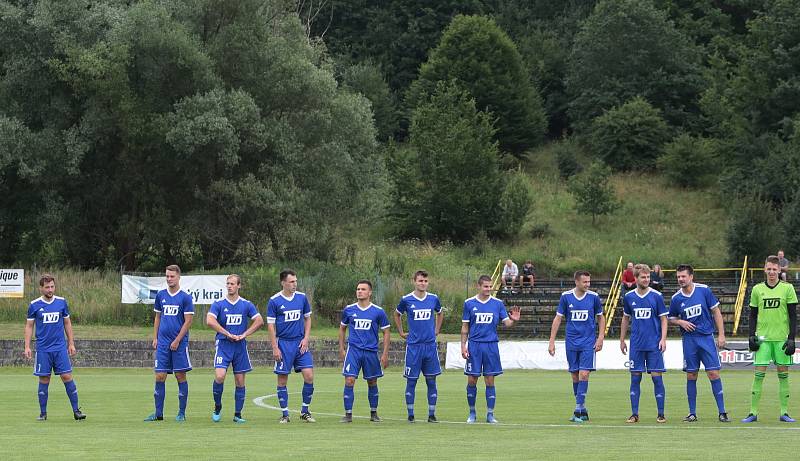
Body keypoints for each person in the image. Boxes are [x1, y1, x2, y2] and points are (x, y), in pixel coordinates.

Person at [668, 264, 729, 423]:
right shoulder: (676, 298)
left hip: (706, 338)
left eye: (683, 276)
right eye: (678, 277)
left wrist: (721, 334)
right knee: (691, 375)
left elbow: (716, 312)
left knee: (713, 373)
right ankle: (692, 413)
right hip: (689, 341)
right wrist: (681, 322)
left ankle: (722, 412)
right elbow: (671, 318)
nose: (681, 279)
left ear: (691, 277)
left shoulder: (704, 290)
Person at [741, 255, 798, 423]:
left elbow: (793, 316)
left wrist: (792, 338)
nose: (772, 272)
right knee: (758, 376)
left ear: (779, 270)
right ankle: (752, 412)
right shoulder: (758, 289)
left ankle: (784, 412)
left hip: (781, 340)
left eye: (775, 269)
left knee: (784, 376)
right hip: (763, 340)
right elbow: (752, 315)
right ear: (765, 269)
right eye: (769, 269)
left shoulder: (787, 289)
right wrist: (751, 335)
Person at [23, 274, 86, 421]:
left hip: (59, 348)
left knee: (67, 376)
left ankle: (76, 411)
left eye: (52, 286)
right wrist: (27, 346)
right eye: (47, 287)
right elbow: (29, 326)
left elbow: (67, 323)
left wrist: (71, 343)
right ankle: (43, 413)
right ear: (41, 288)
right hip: (43, 349)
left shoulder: (61, 302)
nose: (50, 289)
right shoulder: (34, 305)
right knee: (44, 379)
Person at [461, 275, 521, 424]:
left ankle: (490, 415)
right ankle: (472, 413)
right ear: (479, 286)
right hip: (474, 345)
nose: (488, 289)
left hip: (491, 346)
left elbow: (506, 323)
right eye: (486, 286)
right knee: (472, 380)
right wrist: (463, 346)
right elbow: (465, 327)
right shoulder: (469, 303)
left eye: (490, 286)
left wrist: (513, 320)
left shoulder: (497, 304)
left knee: (490, 380)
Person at [548, 270, 606, 423]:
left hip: (588, 342)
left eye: (589, 281)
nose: (588, 284)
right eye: (585, 282)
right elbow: (558, 319)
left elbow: (601, 318)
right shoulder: (566, 297)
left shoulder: (593, 297)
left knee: (584, 374)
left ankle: (578, 409)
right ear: (577, 282)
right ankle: (582, 408)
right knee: (574, 375)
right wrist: (552, 341)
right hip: (572, 342)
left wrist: (600, 337)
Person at [207, 274, 263, 423]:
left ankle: (238, 414)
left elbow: (259, 321)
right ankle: (217, 407)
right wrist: (226, 333)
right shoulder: (218, 303)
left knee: (240, 381)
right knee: (219, 376)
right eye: (228, 284)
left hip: (240, 347)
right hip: (224, 345)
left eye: (232, 284)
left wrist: (244, 334)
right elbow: (209, 320)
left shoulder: (246, 304)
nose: (229, 286)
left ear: (239, 286)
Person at [145, 265, 194, 422]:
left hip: (178, 343)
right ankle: (158, 413)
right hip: (163, 343)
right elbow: (158, 317)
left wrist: (177, 340)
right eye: (167, 276)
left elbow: (188, 322)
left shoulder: (185, 298)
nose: (169, 279)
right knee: (160, 376)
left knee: (180, 375)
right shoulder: (161, 296)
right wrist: (155, 337)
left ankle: (181, 413)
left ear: (179, 277)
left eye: (172, 276)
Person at [394, 270, 444, 423]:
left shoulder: (433, 299)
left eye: (425, 281)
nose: (423, 283)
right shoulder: (406, 299)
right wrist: (402, 332)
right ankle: (410, 414)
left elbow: (440, 313)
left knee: (431, 380)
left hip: (429, 346)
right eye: (420, 281)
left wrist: (436, 330)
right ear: (414, 281)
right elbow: (397, 314)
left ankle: (431, 414)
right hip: (414, 347)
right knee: (411, 381)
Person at [619, 264, 668, 423]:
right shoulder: (629, 297)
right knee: (635, 378)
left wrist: (663, 339)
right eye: (643, 277)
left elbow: (663, 319)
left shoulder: (656, 296)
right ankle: (634, 414)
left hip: (654, 344)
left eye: (648, 277)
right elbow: (626, 318)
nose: (646, 279)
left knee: (657, 378)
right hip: (637, 345)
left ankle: (661, 414)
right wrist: (622, 340)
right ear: (636, 278)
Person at [267, 269, 315, 423]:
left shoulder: (301, 298)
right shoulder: (274, 301)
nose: (295, 284)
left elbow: (307, 319)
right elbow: (270, 326)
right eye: (291, 281)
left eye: (296, 281)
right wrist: (275, 347)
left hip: (300, 343)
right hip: (284, 344)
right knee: (282, 380)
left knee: (309, 375)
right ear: (283, 283)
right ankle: (285, 414)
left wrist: (306, 338)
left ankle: (305, 411)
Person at [339, 280, 391, 423]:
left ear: (369, 292)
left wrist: (385, 353)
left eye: (363, 289)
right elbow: (342, 328)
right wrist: (341, 348)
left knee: (372, 381)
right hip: (353, 351)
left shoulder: (378, 311)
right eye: (358, 289)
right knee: (349, 380)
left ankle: (374, 413)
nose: (359, 291)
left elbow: (386, 331)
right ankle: (348, 414)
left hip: (371, 351)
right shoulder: (349, 309)